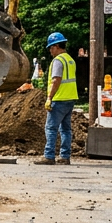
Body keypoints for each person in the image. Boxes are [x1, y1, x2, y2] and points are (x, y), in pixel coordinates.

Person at [36, 31, 78, 166]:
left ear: (57, 46)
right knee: (66, 129)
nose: (50, 50)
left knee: (51, 128)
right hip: (70, 98)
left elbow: (56, 80)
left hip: (59, 99)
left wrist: (49, 97)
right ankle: (65, 156)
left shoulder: (58, 61)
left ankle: (49, 156)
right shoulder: (70, 60)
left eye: (51, 47)